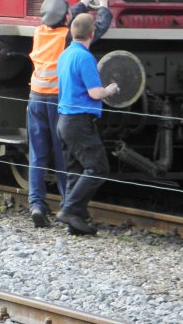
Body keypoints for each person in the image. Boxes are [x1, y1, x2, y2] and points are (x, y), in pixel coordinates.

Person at [26, 0, 111, 228]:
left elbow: (66, 16)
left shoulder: (40, 32)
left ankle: (36, 205)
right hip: (57, 101)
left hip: (35, 98)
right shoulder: (66, 38)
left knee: (38, 154)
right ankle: (68, 204)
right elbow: (96, 28)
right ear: (66, 20)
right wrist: (102, 4)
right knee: (63, 155)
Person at [55, 13, 120, 235]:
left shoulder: (65, 54)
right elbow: (95, 92)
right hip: (79, 121)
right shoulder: (85, 58)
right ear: (92, 34)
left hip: (64, 121)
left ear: (73, 32)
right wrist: (109, 90)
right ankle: (71, 211)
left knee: (75, 170)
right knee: (98, 168)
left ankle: (75, 222)